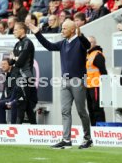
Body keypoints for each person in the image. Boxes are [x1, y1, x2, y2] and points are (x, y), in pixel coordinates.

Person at [28, 19, 92, 149]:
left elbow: (87, 45)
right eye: (62, 28)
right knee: (65, 111)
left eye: (64, 28)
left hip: (78, 80)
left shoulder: (80, 41)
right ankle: (66, 139)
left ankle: (87, 138)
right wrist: (37, 33)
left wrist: (81, 35)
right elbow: (49, 46)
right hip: (64, 81)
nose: (61, 30)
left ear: (72, 30)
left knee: (81, 111)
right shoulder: (63, 43)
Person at [9, 22, 38, 124]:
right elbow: (10, 62)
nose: (14, 32)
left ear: (22, 30)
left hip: (26, 77)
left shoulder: (27, 43)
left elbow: (19, 63)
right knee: (27, 105)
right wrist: (15, 58)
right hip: (19, 77)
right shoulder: (17, 44)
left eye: (16, 29)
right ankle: (35, 128)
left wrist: (15, 58)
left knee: (21, 103)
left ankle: (17, 129)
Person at [86, 36, 107, 126]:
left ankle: (100, 129)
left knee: (97, 108)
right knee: (90, 109)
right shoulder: (87, 55)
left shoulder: (97, 55)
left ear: (95, 43)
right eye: (87, 42)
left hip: (96, 86)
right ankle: (94, 128)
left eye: (91, 42)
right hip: (88, 86)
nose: (89, 44)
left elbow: (103, 71)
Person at [0, 59, 18, 124]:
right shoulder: (6, 74)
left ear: (10, 65)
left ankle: (2, 125)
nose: (3, 66)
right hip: (7, 98)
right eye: (2, 64)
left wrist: (9, 101)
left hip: (13, 99)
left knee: (0, 104)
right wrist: (0, 100)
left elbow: (14, 90)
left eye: (4, 64)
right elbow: (4, 91)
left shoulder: (14, 74)